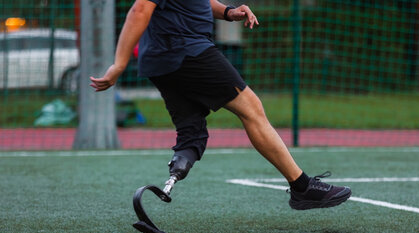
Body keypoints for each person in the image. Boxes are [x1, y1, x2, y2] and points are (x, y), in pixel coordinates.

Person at [90, 0, 351, 210]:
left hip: (161, 62)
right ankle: (302, 187)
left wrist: (229, 12)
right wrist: (119, 64)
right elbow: (140, 9)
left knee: (191, 132)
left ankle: (175, 174)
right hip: (189, 51)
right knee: (252, 110)